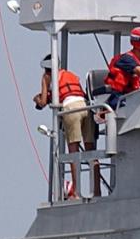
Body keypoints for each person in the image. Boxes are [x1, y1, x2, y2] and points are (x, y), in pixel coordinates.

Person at [34, 55, 102, 198]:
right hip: (85, 107)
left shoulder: (47, 77)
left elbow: (43, 102)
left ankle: (76, 192)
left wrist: (37, 99)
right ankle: (97, 191)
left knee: (73, 153)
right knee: (92, 153)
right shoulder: (69, 74)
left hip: (71, 109)